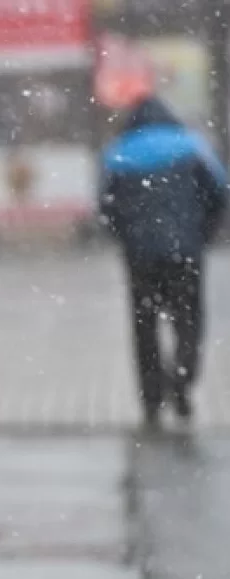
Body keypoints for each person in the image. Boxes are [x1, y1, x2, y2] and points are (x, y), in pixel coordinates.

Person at [99, 95, 227, 429]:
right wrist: (203, 233)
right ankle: (182, 381)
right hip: (186, 251)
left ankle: (152, 400)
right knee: (189, 320)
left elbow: (105, 205)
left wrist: (126, 237)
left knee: (145, 326)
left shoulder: (119, 151)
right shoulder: (192, 146)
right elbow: (219, 192)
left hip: (140, 257)